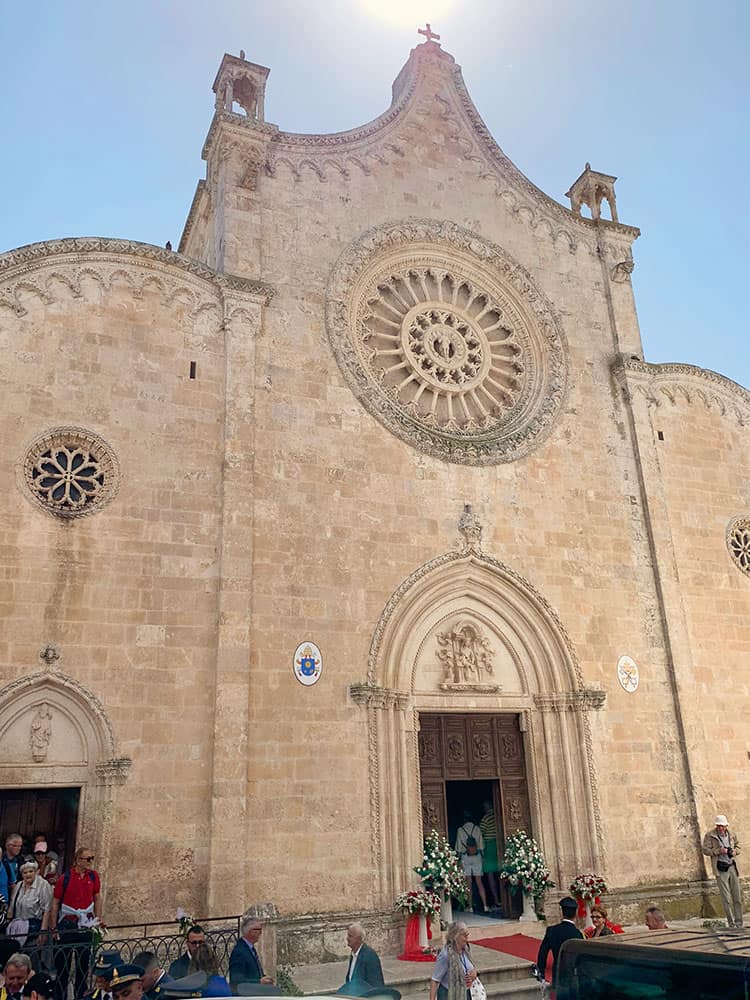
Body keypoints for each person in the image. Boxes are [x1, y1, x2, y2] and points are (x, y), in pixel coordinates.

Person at [50, 847, 103, 998]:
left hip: (86, 924)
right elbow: (55, 901)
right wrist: (54, 927)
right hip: (67, 924)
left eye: (92, 858)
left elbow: (97, 897)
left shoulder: (93, 876)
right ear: (78, 860)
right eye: (88, 858)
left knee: (83, 966)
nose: (90, 862)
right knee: (62, 967)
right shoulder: (65, 878)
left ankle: (81, 996)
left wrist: (97, 920)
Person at [702, 814, 743, 929]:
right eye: (719, 826)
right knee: (726, 898)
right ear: (716, 826)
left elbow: (739, 847)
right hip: (720, 869)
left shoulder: (732, 834)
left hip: (732, 867)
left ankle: (739, 923)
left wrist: (735, 851)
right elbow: (705, 850)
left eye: (723, 826)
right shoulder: (710, 835)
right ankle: (731, 923)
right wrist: (718, 851)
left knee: (737, 896)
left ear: (726, 826)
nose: (721, 828)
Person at [536, 897, 583, 989]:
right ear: (575, 914)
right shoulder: (578, 934)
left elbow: (543, 953)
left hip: (557, 973)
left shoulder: (551, 931)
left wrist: (541, 974)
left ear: (562, 912)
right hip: (573, 974)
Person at [7, 860, 54, 947]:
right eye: (25, 872)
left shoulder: (43, 885)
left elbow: (47, 911)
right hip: (18, 929)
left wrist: (42, 932)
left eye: (31, 871)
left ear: (35, 872)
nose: (28, 874)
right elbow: (11, 907)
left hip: (34, 929)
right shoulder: (19, 885)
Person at [429, 921, 477, 1000]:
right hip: (449, 995)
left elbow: (471, 968)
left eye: (467, 935)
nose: (467, 938)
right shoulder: (445, 955)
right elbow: (435, 980)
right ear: (456, 936)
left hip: (466, 993)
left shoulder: (466, 950)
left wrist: (473, 974)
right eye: (464, 935)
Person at [455, 811, 489, 912]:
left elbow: (459, 847)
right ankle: (485, 906)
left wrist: (458, 860)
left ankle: (470, 907)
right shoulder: (477, 829)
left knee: (468, 882)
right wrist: (483, 857)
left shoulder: (460, 830)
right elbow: (481, 845)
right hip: (477, 856)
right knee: (479, 882)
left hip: (466, 857)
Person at [228, 916, 273, 988]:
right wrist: (259, 982)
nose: (260, 933)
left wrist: (264, 979)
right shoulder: (239, 952)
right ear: (251, 931)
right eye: (259, 930)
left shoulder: (249, 948)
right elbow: (236, 980)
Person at [339, 924, 384, 992]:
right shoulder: (353, 954)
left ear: (359, 939)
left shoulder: (370, 956)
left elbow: (376, 984)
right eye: (348, 935)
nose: (347, 938)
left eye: (350, 936)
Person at [478, 801, 501, 909]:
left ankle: (496, 900)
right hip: (499, 846)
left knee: (491, 875)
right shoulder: (499, 816)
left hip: (489, 847)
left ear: (487, 806)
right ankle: (503, 900)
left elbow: (480, 834)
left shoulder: (485, 818)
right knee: (501, 873)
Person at [1, 836, 24, 904]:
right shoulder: (1, 859)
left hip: (18, 895)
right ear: (7, 846)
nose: (18, 848)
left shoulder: (21, 860)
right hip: (3, 894)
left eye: (20, 846)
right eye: (15, 846)